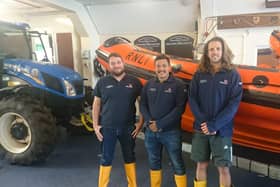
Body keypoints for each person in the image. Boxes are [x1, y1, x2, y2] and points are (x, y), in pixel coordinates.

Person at [188, 36, 243, 187]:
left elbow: (233, 105)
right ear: (207, 52)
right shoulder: (199, 74)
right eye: (211, 49)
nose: (215, 52)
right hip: (201, 128)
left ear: (223, 50)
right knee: (201, 165)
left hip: (222, 130)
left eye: (218, 49)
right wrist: (204, 123)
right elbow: (192, 99)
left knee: (224, 169)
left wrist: (215, 125)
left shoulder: (233, 75)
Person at [92, 52, 143, 187]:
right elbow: (96, 104)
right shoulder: (102, 82)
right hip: (107, 128)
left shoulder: (134, 82)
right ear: (109, 66)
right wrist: (95, 125)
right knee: (106, 158)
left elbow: (142, 103)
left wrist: (140, 123)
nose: (116, 65)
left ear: (123, 64)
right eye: (113, 63)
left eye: (118, 62)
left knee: (130, 157)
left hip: (128, 127)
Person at [140, 54, 188, 187]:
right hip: (151, 132)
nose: (161, 69)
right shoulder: (149, 84)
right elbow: (142, 104)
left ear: (169, 67)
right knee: (153, 162)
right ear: (155, 68)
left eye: (164, 66)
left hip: (171, 132)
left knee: (177, 162)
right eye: (158, 66)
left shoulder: (178, 85)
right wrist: (150, 122)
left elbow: (180, 109)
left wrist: (160, 124)